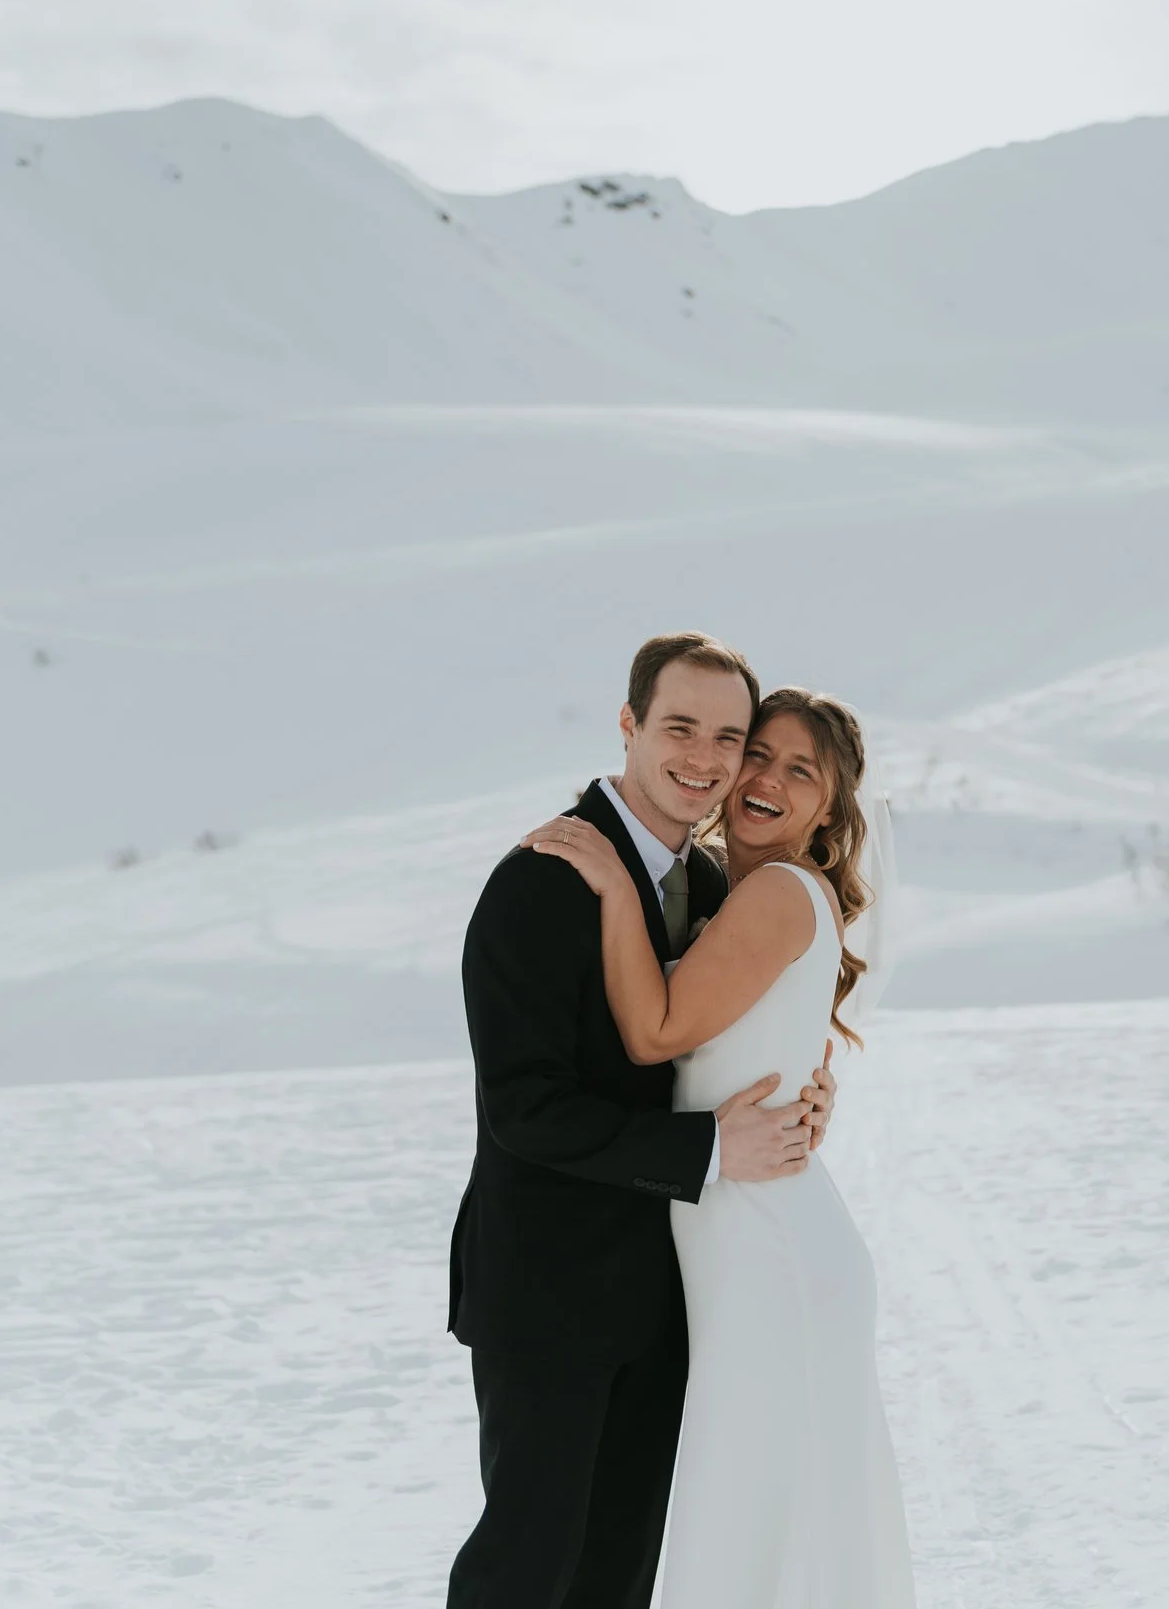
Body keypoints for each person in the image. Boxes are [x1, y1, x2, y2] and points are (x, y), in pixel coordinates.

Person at [444, 633, 840, 1608]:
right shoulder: (542, 879)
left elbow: (738, 1031)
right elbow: (524, 1110)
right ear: (628, 725)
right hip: (548, 1293)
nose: (703, 758)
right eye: (678, 727)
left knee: (616, 1579)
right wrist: (710, 1148)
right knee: (526, 1570)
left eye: (726, 736)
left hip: (670, 1298)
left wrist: (808, 1087)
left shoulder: (710, 892)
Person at [526, 685, 915, 1609]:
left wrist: (614, 882)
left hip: (766, 1245)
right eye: (760, 753)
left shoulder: (778, 891)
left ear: (830, 807)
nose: (767, 778)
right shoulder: (740, 894)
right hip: (749, 1232)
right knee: (775, 1504)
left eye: (801, 770)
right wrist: (814, 1089)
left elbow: (657, 1031)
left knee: (761, 1506)